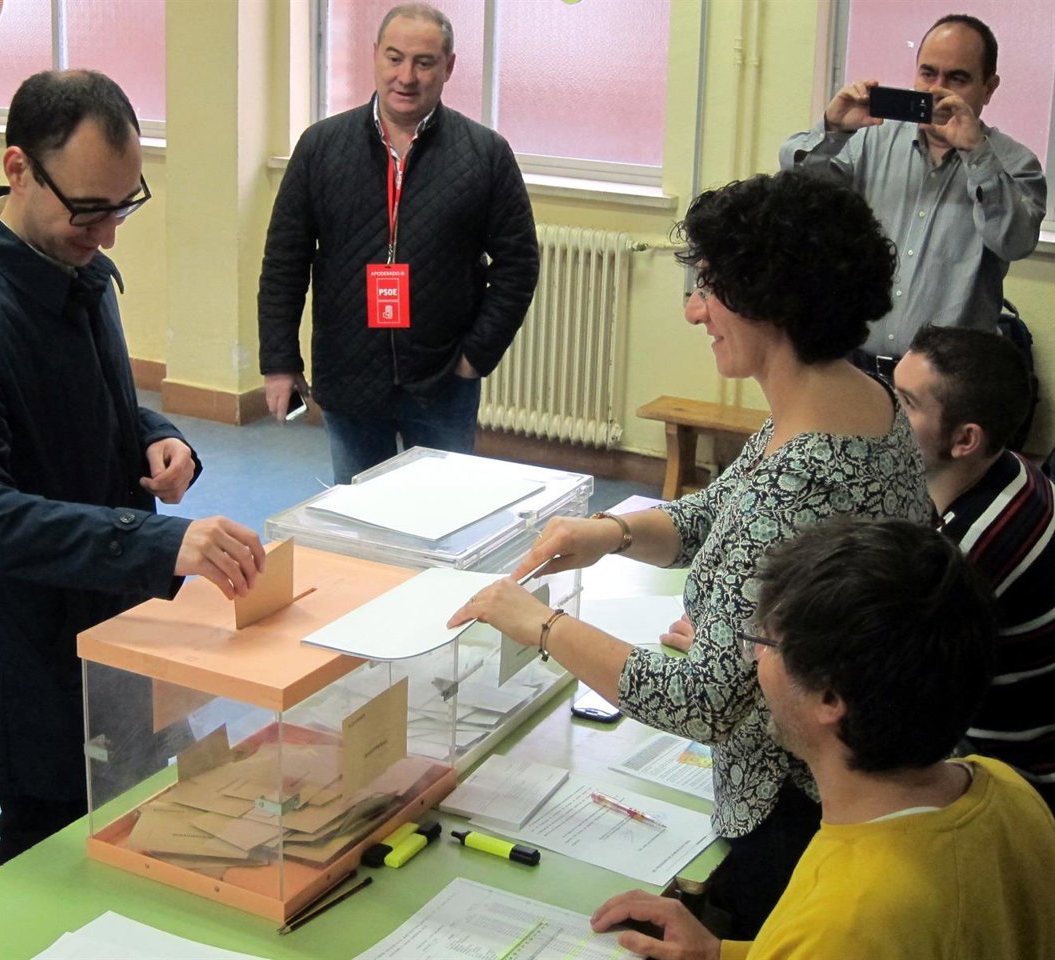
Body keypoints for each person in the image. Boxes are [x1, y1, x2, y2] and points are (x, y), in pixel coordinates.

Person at [450, 170, 933, 937]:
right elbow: (723, 511)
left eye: (708, 288)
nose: (692, 310)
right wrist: (611, 532)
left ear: (769, 300)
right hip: (853, 771)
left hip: (794, 815)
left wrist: (539, 626)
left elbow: (702, 702)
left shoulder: (803, 472)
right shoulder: (852, 400)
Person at [0, 70, 265, 867]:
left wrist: (160, 435)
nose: (108, 234)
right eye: (89, 209)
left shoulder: (76, 266)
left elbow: (100, 400)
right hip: (37, 666)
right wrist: (158, 545)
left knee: (159, 823)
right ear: (20, 167)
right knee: (47, 862)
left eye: (125, 205)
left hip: (123, 632)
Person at [590, 518, 1055, 959]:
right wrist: (720, 952)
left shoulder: (846, 917)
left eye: (766, 642)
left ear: (830, 697)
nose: (753, 655)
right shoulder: (1008, 790)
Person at [257, 2, 539, 484]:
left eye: (423, 62)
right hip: (348, 376)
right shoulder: (321, 147)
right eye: (394, 58)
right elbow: (285, 260)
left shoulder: (486, 155)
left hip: (444, 379)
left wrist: (474, 357)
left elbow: (518, 263)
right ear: (375, 57)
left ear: (448, 67)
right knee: (359, 523)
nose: (405, 76)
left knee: (441, 520)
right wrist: (280, 363)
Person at [779, 14, 1046, 379]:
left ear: (989, 87)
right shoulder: (870, 140)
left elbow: (1016, 242)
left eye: (958, 78)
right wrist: (832, 130)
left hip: (949, 384)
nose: (937, 90)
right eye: (928, 73)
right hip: (856, 369)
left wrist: (977, 155)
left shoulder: (1015, 163)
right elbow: (798, 192)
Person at [894, 325, 1055, 811]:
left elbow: (878, 682)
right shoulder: (1016, 469)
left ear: (965, 439)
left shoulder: (961, 553)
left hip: (1008, 779)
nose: (887, 414)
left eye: (907, 404)